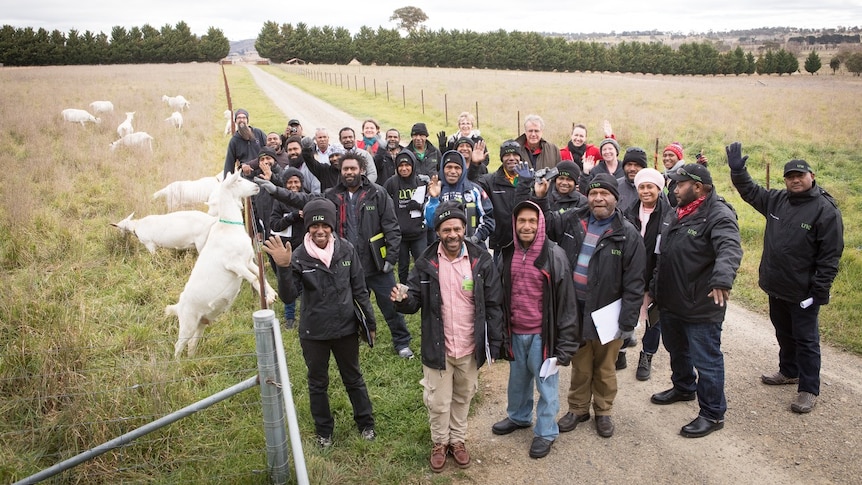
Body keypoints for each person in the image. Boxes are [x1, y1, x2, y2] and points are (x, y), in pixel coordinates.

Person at [258, 152, 416, 359]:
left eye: (353, 168)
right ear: (340, 172)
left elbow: (392, 228)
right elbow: (304, 199)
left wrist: (390, 259)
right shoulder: (332, 195)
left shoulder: (377, 194)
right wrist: (277, 191)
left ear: (361, 170)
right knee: (348, 306)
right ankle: (356, 339)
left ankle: (402, 342)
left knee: (390, 305)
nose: (349, 172)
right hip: (346, 264)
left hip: (376, 264)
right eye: (345, 169)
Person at [727, 142, 844, 414]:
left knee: (806, 339)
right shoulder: (777, 199)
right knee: (783, 332)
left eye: (800, 176)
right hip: (775, 284)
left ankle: (808, 388)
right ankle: (789, 371)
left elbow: (830, 256)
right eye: (790, 176)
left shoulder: (826, 211)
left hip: (804, 292)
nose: (795, 180)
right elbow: (750, 191)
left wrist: (819, 290)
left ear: (811, 177)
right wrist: (737, 171)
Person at [392, 200, 504, 473]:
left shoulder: (481, 260)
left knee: (464, 396)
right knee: (438, 401)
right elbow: (414, 300)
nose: (452, 234)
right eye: (446, 229)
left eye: (456, 228)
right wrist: (402, 300)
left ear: (464, 228)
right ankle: (440, 443)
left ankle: (458, 440)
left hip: (469, 344)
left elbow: (494, 303)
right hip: (438, 346)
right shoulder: (426, 262)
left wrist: (496, 342)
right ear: (438, 232)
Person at [533, 173, 645, 439]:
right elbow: (546, 225)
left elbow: (635, 282)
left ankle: (603, 412)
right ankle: (578, 408)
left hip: (608, 315)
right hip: (576, 310)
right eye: (594, 194)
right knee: (581, 364)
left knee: (605, 368)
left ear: (615, 199)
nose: (598, 198)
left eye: (604, 194)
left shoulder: (626, 233)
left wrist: (627, 323)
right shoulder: (574, 219)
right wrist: (540, 198)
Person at [262, 198, 377, 448]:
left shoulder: (346, 250)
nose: (320, 230)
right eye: (315, 226)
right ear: (308, 228)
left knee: (354, 378)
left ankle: (366, 424)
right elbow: (288, 296)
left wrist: (370, 322)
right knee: (317, 383)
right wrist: (283, 268)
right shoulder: (299, 256)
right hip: (314, 333)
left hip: (346, 329)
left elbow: (360, 289)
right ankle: (324, 432)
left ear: (332, 226)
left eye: (325, 225)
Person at [649, 163, 742, 439]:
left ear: (698, 187)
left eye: (679, 184)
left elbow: (729, 247)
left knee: (706, 359)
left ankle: (713, 414)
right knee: (676, 348)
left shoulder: (718, 214)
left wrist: (722, 279)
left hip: (700, 303)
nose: (674, 189)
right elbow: (663, 252)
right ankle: (684, 387)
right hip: (672, 299)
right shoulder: (677, 210)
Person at [491, 200, 580, 459]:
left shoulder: (554, 255)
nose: (526, 226)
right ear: (514, 224)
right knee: (517, 382)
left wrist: (564, 346)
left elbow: (566, 303)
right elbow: (497, 295)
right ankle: (518, 417)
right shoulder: (507, 253)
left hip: (544, 336)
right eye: (522, 221)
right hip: (515, 332)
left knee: (547, 388)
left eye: (532, 221)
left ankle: (546, 432)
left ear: (540, 223)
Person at [622, 168, 670, 381]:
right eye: (642, 187)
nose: (645, 191)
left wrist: (657, 279)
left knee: (653, 319)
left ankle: (646, 356)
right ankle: (620, 352)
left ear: (659, 189)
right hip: (631, 274)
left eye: (650, 187)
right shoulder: (629, 212)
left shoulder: (670, 215)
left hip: (656, 273)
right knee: (625, 314)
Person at [425, 150, 495, 249]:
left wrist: (476, 238)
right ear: (442, 169)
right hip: (444, 248)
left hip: (474, 247)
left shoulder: (474, 190)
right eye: (449, 167)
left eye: (457, 168)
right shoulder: (436, 190)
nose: (453, 171)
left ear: (463, 170)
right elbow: (431, 224)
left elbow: (488, 218)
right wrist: (434, 199)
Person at [478, 140, 530, 258]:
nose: (511, 158)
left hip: (526, 244)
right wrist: (475, 166)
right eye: (507, 155)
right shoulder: (490, 181)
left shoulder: (529, 179)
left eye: (515, 155)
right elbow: (472, 186)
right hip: (500, 246)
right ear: (502, 158)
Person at [269, 167, 307, 329]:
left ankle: (307, 314)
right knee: (288, 281)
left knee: (307, 283)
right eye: (290, 182)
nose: (293, 185)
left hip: (306, 248)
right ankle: (290, 317)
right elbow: (275, 224)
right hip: (287, 250)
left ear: (301, 183)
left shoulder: (308, 197)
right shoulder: (279, 202)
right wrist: (292, 216)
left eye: (296, 181)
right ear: (285, 184)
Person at [383, 150, 428, 284]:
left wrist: (419, 206)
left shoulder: (421, 182)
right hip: (400, 234)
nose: (404, 169)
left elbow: (432, 206)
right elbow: (383, 203)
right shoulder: (391, 183)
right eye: (400, 166)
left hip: (419, 233)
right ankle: (404, 292)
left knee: (421, 264)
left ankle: (421, 288)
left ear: (413, 166)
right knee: (402, 266)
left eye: (407, 165)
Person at [223, 108, 266, 178]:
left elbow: (268, 150)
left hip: (262, 171)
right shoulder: (234, 141)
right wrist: (227, 181)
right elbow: (229, 163)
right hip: (246, 176)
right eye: (239, 118)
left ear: (247, 120)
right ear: (235, 121)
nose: (241, 120)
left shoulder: (258, 133)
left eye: (244, 118)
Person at [615, 146, 649, 213]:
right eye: (629, 164)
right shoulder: (614, 186)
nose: (632, 169)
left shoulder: (653, 189)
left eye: (637, 165)